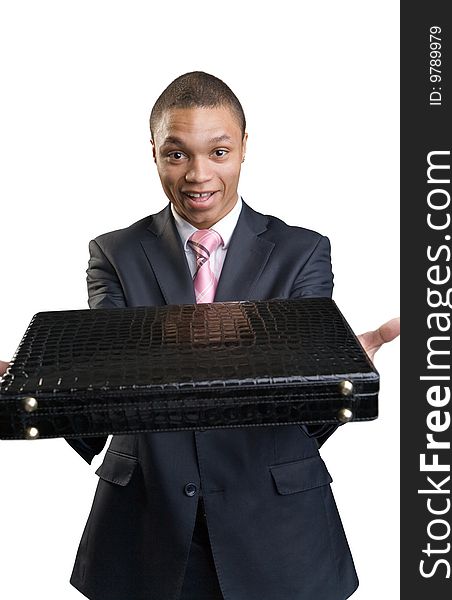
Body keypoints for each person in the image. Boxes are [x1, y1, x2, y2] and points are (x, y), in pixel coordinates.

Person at [0, 72, 399, 600]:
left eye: (217, 151)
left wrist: (337, 377)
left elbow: (301, 413)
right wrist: (32, 396)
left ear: (243, 148)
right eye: (177, 154)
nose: (198, 174)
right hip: (149, 525)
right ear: (154, 154)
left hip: (278, 529)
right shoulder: (114, 254)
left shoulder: (302, 252)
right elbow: (114, 387)